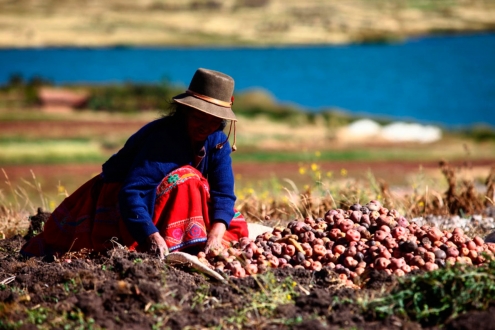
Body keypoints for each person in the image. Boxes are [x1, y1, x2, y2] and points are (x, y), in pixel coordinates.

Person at [21, 68, 249, 259]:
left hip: (162, 198)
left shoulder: (218, 140)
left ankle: (191, 238)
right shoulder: (164, 139)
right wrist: (151, 236)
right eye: (199, 117)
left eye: (214, 120)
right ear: (185, 111)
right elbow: (132, 192)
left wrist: (216, 233)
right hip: (121, 200)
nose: (206, 126)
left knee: (229, 219)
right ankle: (180, 240)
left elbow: (223, 192)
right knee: (188, 180)